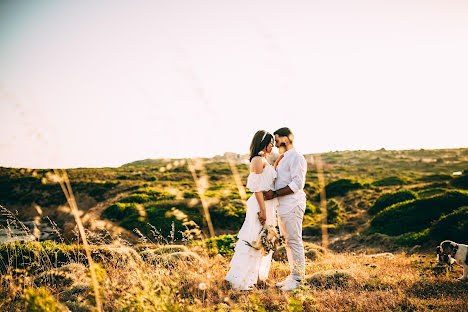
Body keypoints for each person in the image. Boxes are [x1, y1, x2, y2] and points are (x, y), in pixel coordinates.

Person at [225, 130, 279, 290]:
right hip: (259, 205)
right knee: (254, 240)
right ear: (263, 143)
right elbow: (256, 188)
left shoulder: (263, 159)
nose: (272, 146)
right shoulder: (257, 159)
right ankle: (245, 280)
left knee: (264, 241)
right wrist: (263, 211)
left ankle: (259, 278)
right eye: (270, 143)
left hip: (267, 205)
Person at [263, 127, 307, 291]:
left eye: (277, 140)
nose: (274, 144)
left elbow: (297, 184)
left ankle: (298, 280)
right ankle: (293, 276)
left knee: (295, 241)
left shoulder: (296, 157)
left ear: (286, 140)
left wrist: (274, 193)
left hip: (293, 205)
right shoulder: (283, 158)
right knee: (289, 242)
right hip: (283, 206)